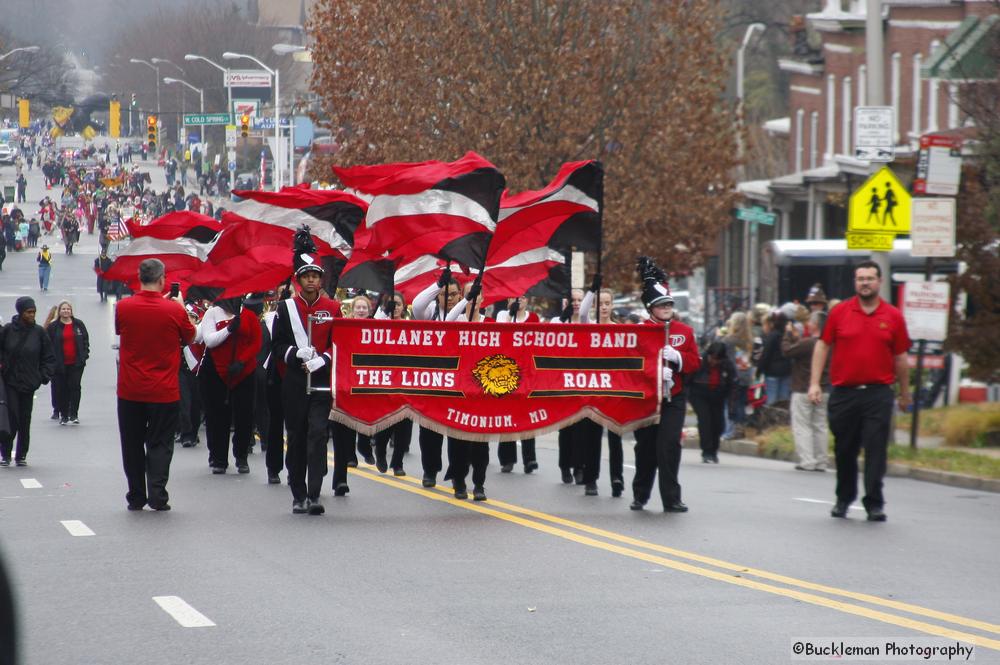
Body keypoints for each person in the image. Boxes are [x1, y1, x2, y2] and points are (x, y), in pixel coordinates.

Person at [808, 260, 911, 522]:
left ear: (879, 281)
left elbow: (900, 357)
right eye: (860, 279)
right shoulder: (840, 312)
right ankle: (844, 498)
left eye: (870, 278)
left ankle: (874, 502)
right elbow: (822, 346)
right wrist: (815, 383)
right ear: (856, 283)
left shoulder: (893, 316)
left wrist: (905, 392)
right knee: (845, 449)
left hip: (878, 392)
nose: (865, 283)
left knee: (876, 448)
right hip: (845, 392)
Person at [115, 258, 197, 511]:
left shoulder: (123, 307)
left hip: (131, 388)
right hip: (164, 389)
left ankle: (136, 494)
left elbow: (121, 331)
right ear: (162, 280)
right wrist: (180, 306)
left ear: (140, 278)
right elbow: (191, 335)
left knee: (131, 442)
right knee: (160, 442)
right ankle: (158, 494)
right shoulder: (174, 310)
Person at [271, 242, 341, 515]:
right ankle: (297, 494)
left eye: (315, 275)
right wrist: (295, 354)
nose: (311, 280)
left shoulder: (333, 307)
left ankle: (314, 495)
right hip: (295, 382)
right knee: (297, 437)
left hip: (322, 381)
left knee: (317, 435)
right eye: (306, 275)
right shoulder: (285, 308)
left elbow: (340, 343)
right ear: (298, 279)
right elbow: (277, 346)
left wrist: (323, 359)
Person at [630, 258, 700, 512]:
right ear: (651, 308)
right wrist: (654, 370)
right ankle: (640, 494)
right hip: (648, 398)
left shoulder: (685, 331)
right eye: (661, 305)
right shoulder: (639, 332)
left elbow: (695, 362)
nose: (667, 308)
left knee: (669, 447)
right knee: (646, 449)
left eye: (669, 303)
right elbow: (631, 365)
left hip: (674, 397)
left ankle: (672, 498)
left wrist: (679, 360)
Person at [197, 296, 262, 475]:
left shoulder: (248, 316)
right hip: (216, 372)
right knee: (217, 416)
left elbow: (256, 342)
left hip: (243, 372)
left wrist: (242, 361)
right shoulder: (211, 313)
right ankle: (219, 458)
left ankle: (241, 456)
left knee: (244, 415)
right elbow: (209, 340)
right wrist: (229, 329)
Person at [0, 297, 57, 467]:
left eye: (33, 312)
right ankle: (5, 453)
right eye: (28, 312)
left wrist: (42, 376)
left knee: (25, 419)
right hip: (10, 381)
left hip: (29, 382)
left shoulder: (39, 333)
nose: (31, 315)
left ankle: (22, 454)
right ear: (20, 312)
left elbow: (49, 357)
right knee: (11, 417)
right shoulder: (8, 330)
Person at [784, 310, 830, 471]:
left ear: (815, 325)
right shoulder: (829, 344)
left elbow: (788, 351)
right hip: (825, 389)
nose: (808, 324)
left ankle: (807, 460)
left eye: (810, 321)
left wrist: (787, 335)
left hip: (803, 388)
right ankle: (821, 460)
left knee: (802, 425)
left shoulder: (809, 343)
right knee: (820, 425)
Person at [689, 342, 737, 464]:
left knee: (718, 424)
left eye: (717, 359)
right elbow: (688, 380)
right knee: (705, 421)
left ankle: (714, 451)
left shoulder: (727, 365)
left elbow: (732, 386)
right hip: (699, 395)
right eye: (712, 358)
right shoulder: (700, 362)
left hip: (718, 396)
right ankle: (706, 451)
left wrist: (732, 407)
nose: (714, 362)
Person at [47, 301, 90, 425]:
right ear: (59, 311)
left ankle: (74, 414)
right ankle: (64, 415)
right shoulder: (53, 327)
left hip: (76, 363)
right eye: (63, 309)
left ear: (71, 311)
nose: (66, 311)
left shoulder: (78, 325)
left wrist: (84, 355)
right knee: (62, 389)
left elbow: (85, 340)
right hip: (60, 364)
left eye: (68, 309)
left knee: (75, 387)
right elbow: (47, 344)